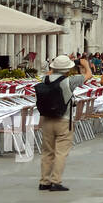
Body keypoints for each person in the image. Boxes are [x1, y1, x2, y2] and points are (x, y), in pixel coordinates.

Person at [37, 54, 77, 191]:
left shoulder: (44, 79)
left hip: (47, 119)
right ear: (67, 69)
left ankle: (44, 181)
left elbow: (49, 74)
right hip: (63, 119)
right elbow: (88, 75)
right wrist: (84, 64)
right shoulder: (69, 82)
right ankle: (56, 181)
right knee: (61, 152)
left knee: (47, 152)